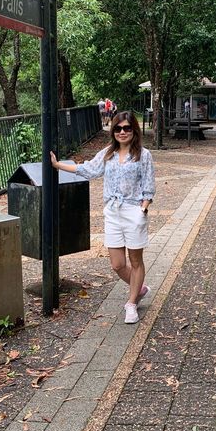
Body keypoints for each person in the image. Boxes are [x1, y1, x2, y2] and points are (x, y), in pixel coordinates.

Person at [50, 111, 155, 324]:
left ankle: (131, 303)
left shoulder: (143, 155)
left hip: (133, 211)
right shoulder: (107, 153)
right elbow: (88, 169)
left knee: (135, 261)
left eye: (127, 128)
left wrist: (142, 210)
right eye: (118, 128)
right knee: (117, 264)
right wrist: (58, 165)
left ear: (134, 130)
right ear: (113, 131)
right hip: (113, 213)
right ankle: (140, 288)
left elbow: (148, 186)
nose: (122, 132)